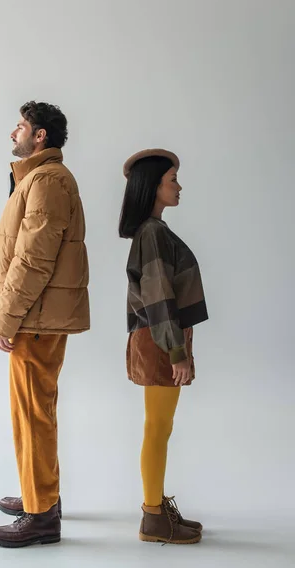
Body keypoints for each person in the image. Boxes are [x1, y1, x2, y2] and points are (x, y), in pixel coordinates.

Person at [0, 101, 90, 548]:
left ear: (41, 135)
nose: (15, 133)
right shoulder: (38, 178)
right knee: (33, 411)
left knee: (32, 414)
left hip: (34, 318)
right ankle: (40, 494)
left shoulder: (46, 181)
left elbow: (32, 260)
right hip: (37, 316)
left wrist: (4, 318)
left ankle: (42, 514)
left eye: (22, 126)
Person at [119, 149, 208, 545]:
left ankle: (156, 510)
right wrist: (177, 353)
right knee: (157, 428)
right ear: (152, 186)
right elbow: (158, 296)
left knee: (160, 427)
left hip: (159, 337)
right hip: (159, 340)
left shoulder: (154, 230)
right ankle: (152, 517)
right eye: (172, 179)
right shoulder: (153, 234)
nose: (179, 186)